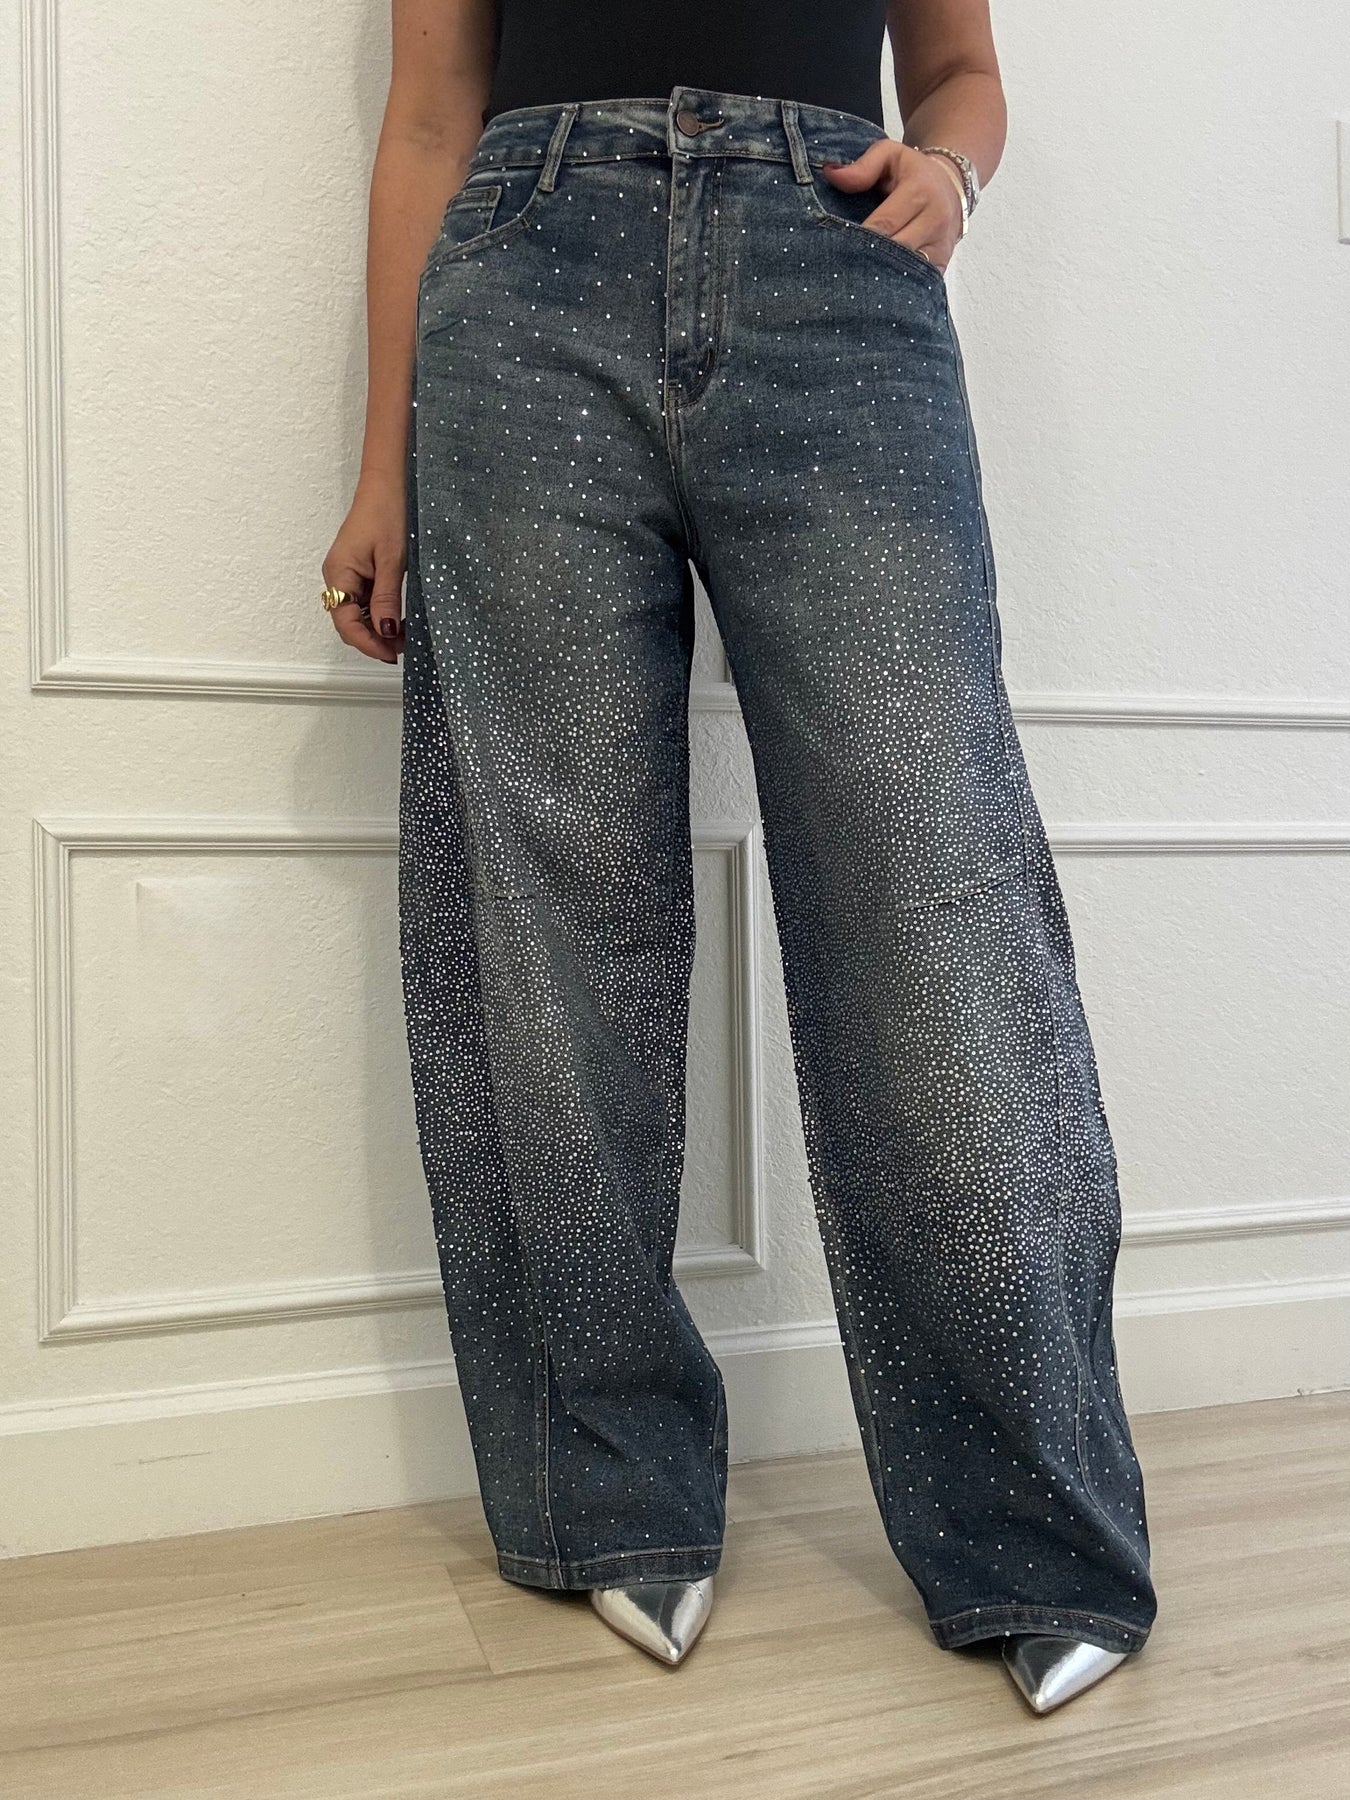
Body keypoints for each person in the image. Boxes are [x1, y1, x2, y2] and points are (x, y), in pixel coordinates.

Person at [320, 0, 1158, 1716]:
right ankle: (606, 1492)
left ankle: (1033, 1526)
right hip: (522, 295)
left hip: (832, 282)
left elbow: (960, 76)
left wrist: (951, 177)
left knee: (932, 894)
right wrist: (380, 463)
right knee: (551, 922)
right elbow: (428, 115)